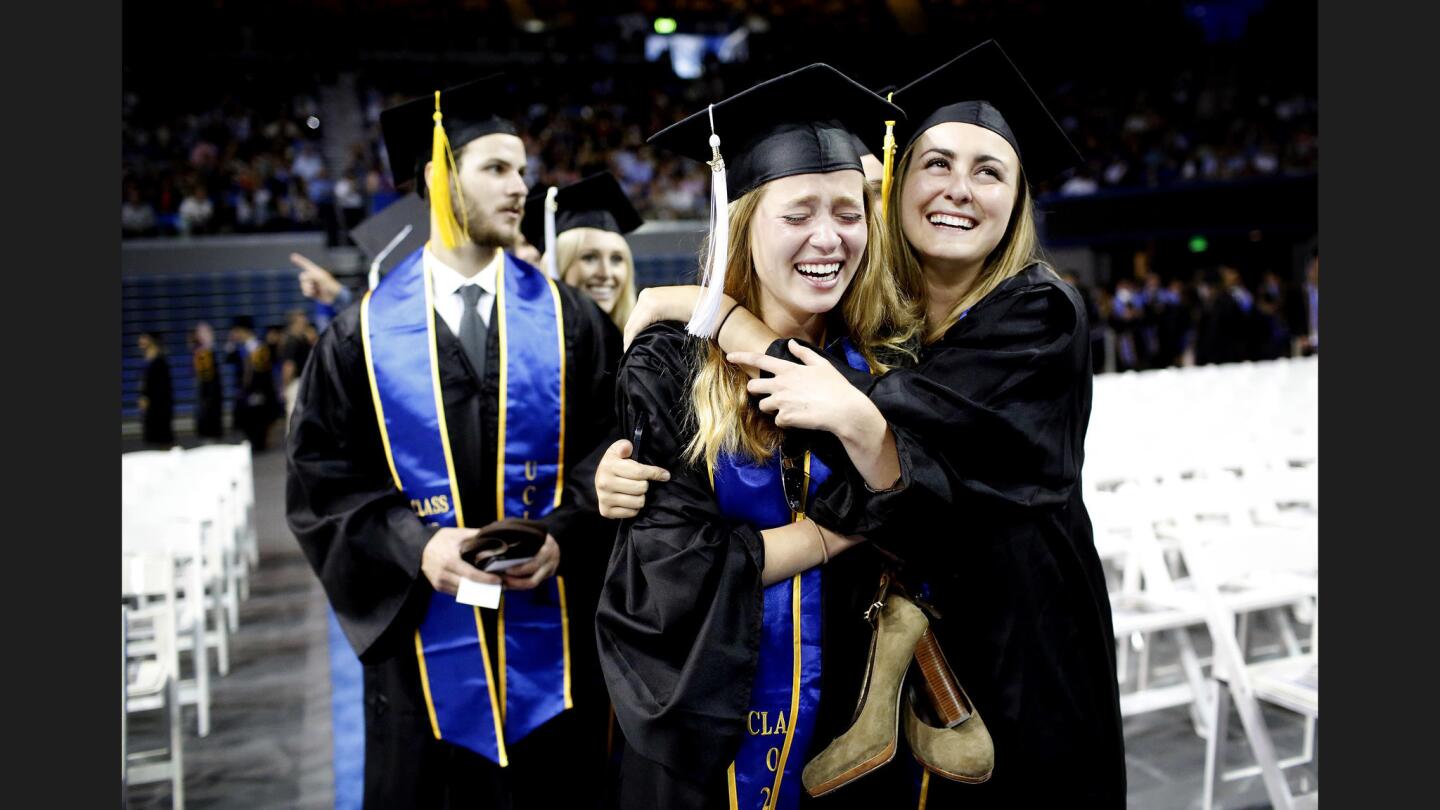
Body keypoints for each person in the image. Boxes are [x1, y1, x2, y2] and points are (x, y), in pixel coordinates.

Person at [597, 41, 1125, 807]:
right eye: (935, 163)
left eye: (990, 170)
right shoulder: (684, 368)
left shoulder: (1004, 322)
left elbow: (909, 463)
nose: (958, 189)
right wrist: (603, 476)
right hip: (719, 730)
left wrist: (722, 316)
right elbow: (663, 569)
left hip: (1014, 649)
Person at [286, 74, 622, 809]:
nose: (519, 187)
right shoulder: (360, 337)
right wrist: (416, 545)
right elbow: (324, 484)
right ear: (440, 178)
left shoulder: (573, 324)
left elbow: (612, 446)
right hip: (422, 671)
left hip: (557, 658)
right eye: (496, 168)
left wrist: (565, 534)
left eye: (524, 171)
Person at [595, 64, 919, 810]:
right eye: (798, 212)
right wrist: (841, 534)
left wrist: (736, 323)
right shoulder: (670, 364)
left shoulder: (884, 358)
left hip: (852, 726)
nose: (829, 237)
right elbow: (676, 567)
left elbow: (926, 517)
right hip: (704, 734)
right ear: (744, 221)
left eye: (848, 212)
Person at [520, 172, 643, 331]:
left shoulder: (642, 347)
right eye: (589, 258)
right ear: (558, 266)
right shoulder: (531, 345)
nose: (605, 273)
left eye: (616, 259)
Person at [227, 316, 280, 450]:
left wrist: (259, 392)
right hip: (245, 393)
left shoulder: (259, 347)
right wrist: (230, 344)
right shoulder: (240, 349)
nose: (235, 334)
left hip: (258, 393)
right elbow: (228, 359)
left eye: (236, 331)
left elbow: (263, 373)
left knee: (258, 423)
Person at [137, 332, 174, 446]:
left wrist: (147, 398)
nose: (140, 342)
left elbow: (162, 389)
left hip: (159, 408)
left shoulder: (160, 362)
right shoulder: (148, 361)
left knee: (161, 440)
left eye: (144, 339)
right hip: (151, 408)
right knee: (153, 441)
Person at [190, 322, 225, 440]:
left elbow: (209, 378)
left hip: (209, 398)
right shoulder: (203, 353)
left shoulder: (205, 353)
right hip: (208, 397)